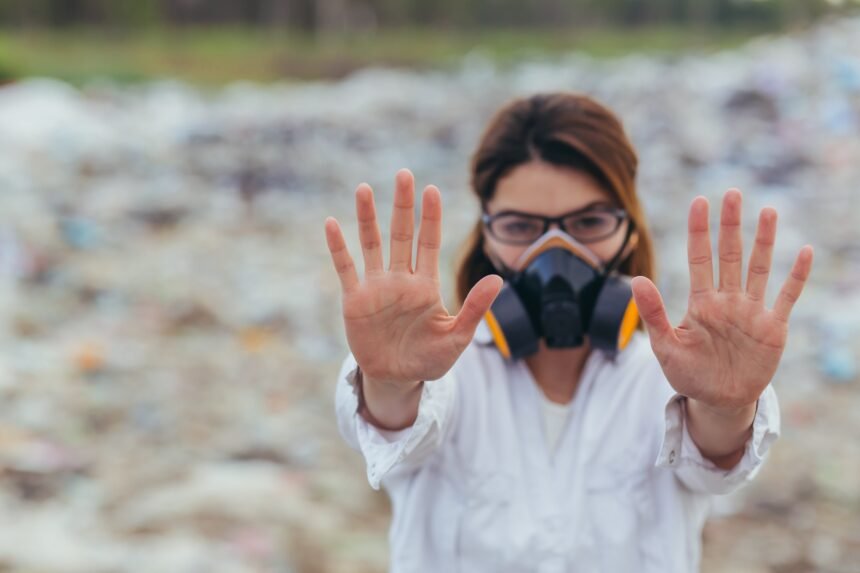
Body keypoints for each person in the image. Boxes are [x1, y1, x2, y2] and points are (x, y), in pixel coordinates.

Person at [324, 93, 813, 572]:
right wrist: (388, 381)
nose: (555, 251)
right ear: (487, 236)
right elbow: (395, 426)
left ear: (629, 231)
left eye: (588, 222)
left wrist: (725, 405)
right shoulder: (440, 373)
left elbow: (713, 458)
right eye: (520, 227)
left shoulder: (672, 379)